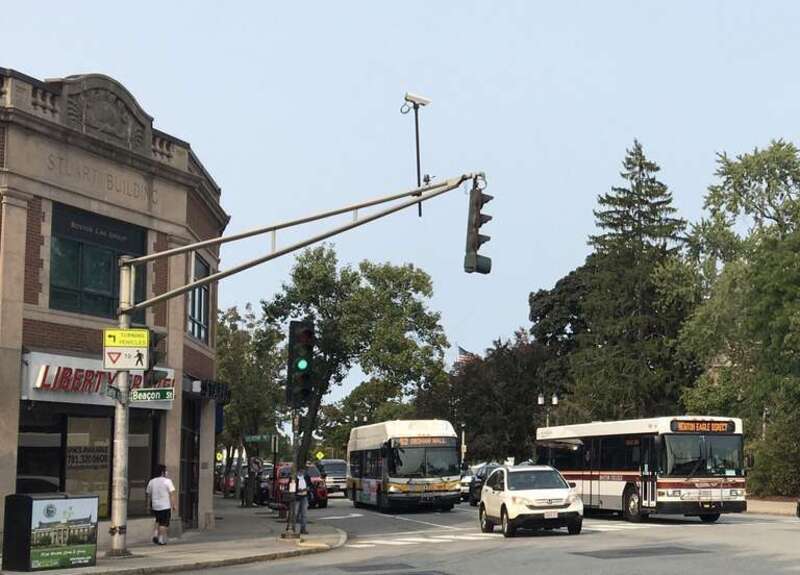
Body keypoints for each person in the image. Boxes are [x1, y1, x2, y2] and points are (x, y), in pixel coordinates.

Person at [146, 464, 177, 545]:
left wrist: (148, 505)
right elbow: (172, 494)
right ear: (163, 472)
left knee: (157, 520)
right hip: (165, 506)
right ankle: (161, 539)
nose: (167, 472)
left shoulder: (151, 481)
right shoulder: (167, 481)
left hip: (155, 505)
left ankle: (155, 534)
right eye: (165, 471)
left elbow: (148, 494)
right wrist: (173, 505)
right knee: (164, 523)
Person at [294, 465, 310, 535]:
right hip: (297, 497)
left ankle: (303, 529)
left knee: (304, 514)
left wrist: (308, 488)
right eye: (301, 470)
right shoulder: (294, 478)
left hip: (304, 496)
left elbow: (310, 485)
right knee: (295, 513)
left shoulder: (306, 477)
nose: (303, 472)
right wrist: (297, 490)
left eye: (304, 470)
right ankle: (292, 528)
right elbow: (291, 486)